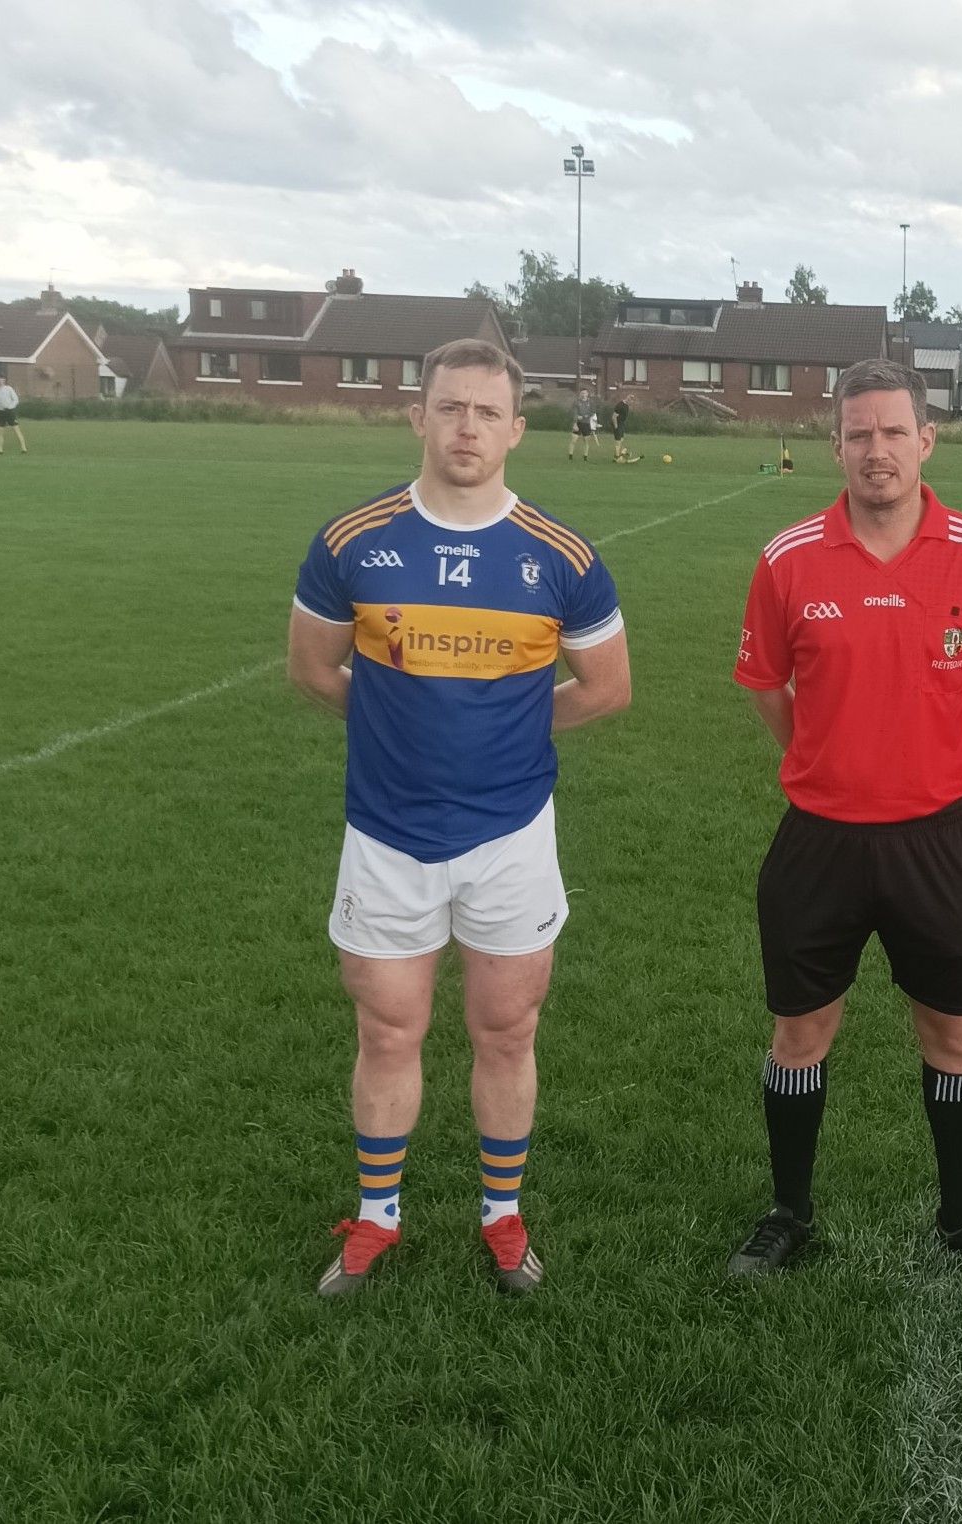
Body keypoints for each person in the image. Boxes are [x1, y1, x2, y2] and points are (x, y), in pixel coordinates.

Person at [288, 338, 631, 1297]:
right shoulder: (352, 541)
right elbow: (314, 669)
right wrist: (408, 722)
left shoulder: (560, 556)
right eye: (449, 408)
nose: (467, 427)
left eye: (486, 412)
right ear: (419, 417)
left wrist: (507, 726)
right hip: (386, 833)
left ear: (517, 429)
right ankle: (376, 1219)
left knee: (507, 1029)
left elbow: (605, 689)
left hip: (511, 834)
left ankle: (502, 1218)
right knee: (388, 1030)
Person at [727, 358, 962, 1281]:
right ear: (836, 447)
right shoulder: (788, 559)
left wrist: (950, 769)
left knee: (953, 1035)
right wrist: (823, 760)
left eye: (893, 432)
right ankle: (788, 1210)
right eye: (858, 434)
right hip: (817, 838)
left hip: (937, 840)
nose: (876, 451)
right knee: (799, 1033)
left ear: (926, 440)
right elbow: (766, 684)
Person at [0, 375, 26, 454]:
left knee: (16, 430)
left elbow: (15, 399)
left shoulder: (9, 388)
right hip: (0, 412)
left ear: (4, 381)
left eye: (2, 380)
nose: (0, 382)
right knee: (0, 431)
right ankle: (0, 449)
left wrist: (11, 406)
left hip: (10, 411)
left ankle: (23, 448)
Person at [568, 389, 596, 461]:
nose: (583, 394)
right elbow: (574, 412)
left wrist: (585, 416)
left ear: (587, 394)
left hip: (586, 423)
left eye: (585, 393)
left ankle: (585, 457)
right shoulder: (577, 402)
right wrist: (575, 423)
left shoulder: (590, 402)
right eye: (582, 393)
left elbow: (593, 412)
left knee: (586, 441)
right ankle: (570, 456)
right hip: (578, 423)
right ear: (580, 394)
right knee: (574, 440)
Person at [609, 396, 637, 463]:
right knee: (618, 442)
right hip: (617, 424)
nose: (631, 403)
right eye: (631, 402)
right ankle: (616, 458)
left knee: (621, 440)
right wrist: (616, 426)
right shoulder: (620, 405)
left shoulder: (626, 405)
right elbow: (614, 417)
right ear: (628, 399)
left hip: (621, 424)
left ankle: (618, 455)